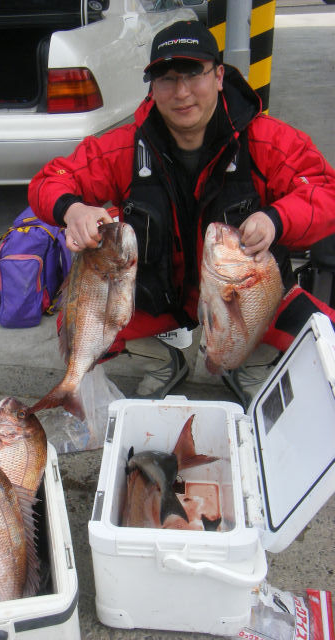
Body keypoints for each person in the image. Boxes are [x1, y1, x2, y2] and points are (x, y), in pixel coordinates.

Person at [28, 19, 335, 407]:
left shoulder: (265, 139)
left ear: (219, 76)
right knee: (79, 319)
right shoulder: (126, 147)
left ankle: (247, 361)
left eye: (194, 74)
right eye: (167, 79)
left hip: (242, 294)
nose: (182, 92)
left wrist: (276, 219)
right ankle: (163, 362)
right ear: (152, 87)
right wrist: (73, 210)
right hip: (161, 296)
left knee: (323, 331)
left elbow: (326, 191)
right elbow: (48, 181)